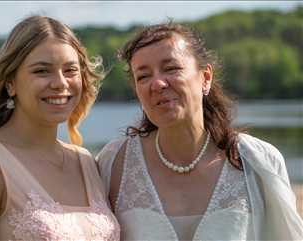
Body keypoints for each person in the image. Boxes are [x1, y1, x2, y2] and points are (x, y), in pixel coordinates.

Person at [96, 21, 303, 240]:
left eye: (171, 68)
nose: (157, 83)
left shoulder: (258, 160)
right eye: (143, 76)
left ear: (205, 78)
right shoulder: (115, 162)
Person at [0, 15, 120, 240]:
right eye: (41, 71)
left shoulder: (86, 163)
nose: (60, 83)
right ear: (10, 83)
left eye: (70, 70)